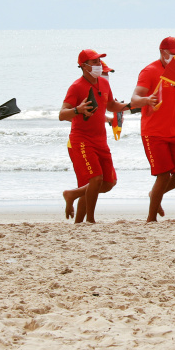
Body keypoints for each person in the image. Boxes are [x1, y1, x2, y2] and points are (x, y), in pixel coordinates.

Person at [129, 37, 175, 222]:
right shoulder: (150, 71)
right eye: (173, 54)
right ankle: (151, 219)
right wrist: (146, 100)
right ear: (163, 52)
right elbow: (134, 99)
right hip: (154, 132)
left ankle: (155, 194)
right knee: (163, 174)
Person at [58, 49, 130, 223]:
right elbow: (62, 114)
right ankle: (89, 221)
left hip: (101, 140)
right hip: (81, 139)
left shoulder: (104, 84)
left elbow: (111, 105)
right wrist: (77, 110)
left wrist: (133, 106)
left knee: (108, 182)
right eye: (95, 62)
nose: (99, 65)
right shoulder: (76, 87)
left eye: (99, 61)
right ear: (84, 66)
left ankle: (72, 194)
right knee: (95, 179)